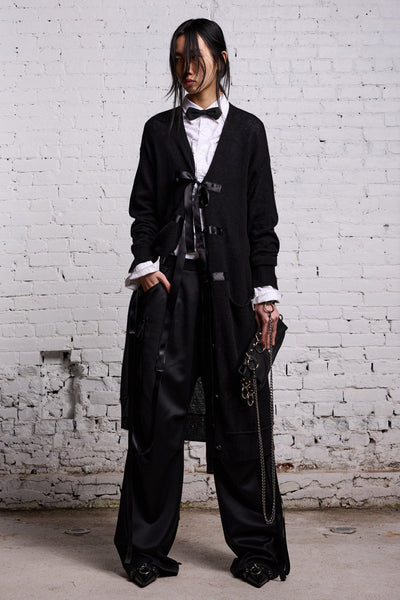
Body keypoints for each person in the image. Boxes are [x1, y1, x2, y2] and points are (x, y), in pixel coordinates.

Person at [114, 17, 291, 589]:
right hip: (170, 293)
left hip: (232, 294)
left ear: (221, 58)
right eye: (177, 61)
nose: (185, 71)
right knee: (157, 418)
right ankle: (144, 550)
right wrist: (146, 268)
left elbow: (261, 220)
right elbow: (144, 208)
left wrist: (265, 293)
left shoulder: (249, 132)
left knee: (242, 418)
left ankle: (256, 549)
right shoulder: (158, 130)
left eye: (195, 59)